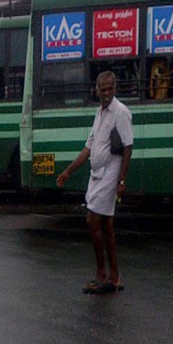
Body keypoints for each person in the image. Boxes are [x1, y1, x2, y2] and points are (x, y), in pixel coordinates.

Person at [56, 71, 133, 294]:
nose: (106, 93)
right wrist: (68, 171)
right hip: (96, 173)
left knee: (92, 221)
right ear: (97, 90)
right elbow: (89, 148)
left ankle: (102, 274)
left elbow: (127, 147)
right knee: (106, 225)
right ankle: (114, 277)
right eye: (103, 89)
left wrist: (121, 180)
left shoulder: (120, 112)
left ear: (115, 89)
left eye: (110, 89)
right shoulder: (99, 113)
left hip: (111, 173)